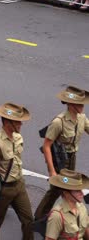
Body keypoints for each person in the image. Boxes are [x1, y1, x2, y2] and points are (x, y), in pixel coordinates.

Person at [34, 86, 89, 220]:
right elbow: (46, 146)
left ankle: (66, 216)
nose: (82, 106)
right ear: (70, 104)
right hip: (60, 160)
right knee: (56, 190)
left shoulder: (81, 118)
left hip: (72, 158)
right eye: (78, 103)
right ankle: (39, 217)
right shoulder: (59, 122)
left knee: (70, 186)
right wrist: (52, 171)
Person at [0, 103, 34, 240]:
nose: (20, 124)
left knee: (29, 221)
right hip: (3, 190)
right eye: (17, 122)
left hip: (19, 185)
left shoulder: (17, 137)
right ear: (7, 122)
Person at [45, 169, 89, 240]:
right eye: (77, 191)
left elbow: (86, 229)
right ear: (66, 193)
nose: (82, 194)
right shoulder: (57, 215)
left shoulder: (82, 207)